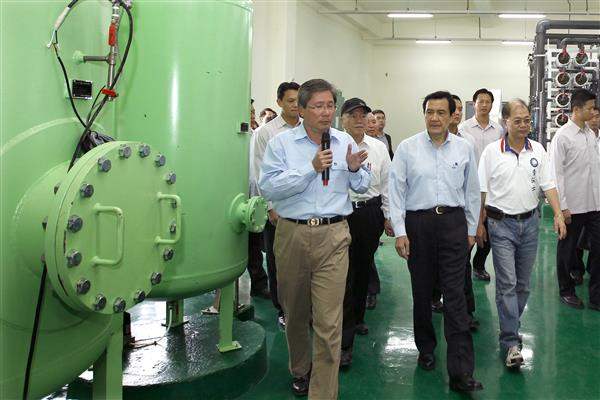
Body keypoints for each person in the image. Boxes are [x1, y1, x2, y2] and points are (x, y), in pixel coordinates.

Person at [259, 78, 370, 399]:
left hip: (334, 235)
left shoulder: (344, 141)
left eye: (330, 105)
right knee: (295, 313)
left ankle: (323, 392)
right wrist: (310, 168)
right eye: (318, 106)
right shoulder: (281, 144)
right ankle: (300, 369)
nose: (326, 112)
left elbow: (363, 186)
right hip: (292, 234)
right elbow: (269, 187)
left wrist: (354, 170)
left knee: (329, 321)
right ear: (302, 109)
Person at [389, 90, 482, 392]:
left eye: (441, 112)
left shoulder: (464, 148)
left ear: (453, 115)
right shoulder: (408, 148)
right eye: (430, 112)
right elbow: (396, 191)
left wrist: (470, 229)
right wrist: (400, 231)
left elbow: (471, 191)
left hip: (453, 224)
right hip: (419, 226)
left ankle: (461, 372)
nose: (434, 118)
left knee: (455, 296)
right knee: (422, 290)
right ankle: (426, 347)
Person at [478, 99, 566, 368]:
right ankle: (510, 342)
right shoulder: (492, 152)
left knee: (523, 285)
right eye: (517, 121)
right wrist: (478, 224)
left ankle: (510, 327)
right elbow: (481, 191)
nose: (524, 125)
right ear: (505, 122)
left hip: (530, 224)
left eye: (527, 120)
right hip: (500, 224)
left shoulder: (537, 149)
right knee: (507, 284)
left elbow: (548, 184)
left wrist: (558, 214)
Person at [338, 98, 392, 368]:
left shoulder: (378, 148)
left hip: (370, 214)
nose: (360, 120)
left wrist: (388, 216)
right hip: (342, 215)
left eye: (363, 115)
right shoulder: (334, 144)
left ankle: (357, 319)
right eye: (353, 115)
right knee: (344, 276)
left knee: (362, 271)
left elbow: (387, 184)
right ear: (343, 119)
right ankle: (344, 341)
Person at [251, 81, 301, 328]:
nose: (295, 105)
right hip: (278, 210)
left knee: (302, 263)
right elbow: (259, 172)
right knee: (278, 262)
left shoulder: (308, 129)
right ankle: (282, 309)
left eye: (299, 101)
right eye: (290, 101)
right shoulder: (266, 133)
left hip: (303, 209)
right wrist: (270, 207)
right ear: (279, 102)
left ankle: (302, 308)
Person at [431, 95, 478, 332]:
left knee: (462, 270)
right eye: (455, 109)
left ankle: (465, 313)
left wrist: (473, 225)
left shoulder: (466, 143)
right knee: (433, 267)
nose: (458, 113)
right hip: (429, 219)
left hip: (456, 219)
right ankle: (434, 298)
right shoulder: (421, 145)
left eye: (460, 109)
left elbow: (472, 188)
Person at [550, 89, 600, 311]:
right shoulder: (563, 136)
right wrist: (562, 207)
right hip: (573, 205)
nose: (593, 111)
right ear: (576, 109)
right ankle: (566, 290)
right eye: (590, 108)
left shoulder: (591, 135)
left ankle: (596, 295)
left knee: (598, 249)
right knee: (567, 249)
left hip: (595, 204)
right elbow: (556, 174)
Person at [460, 88, 505, 282]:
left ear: (492, 105)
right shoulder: (463, 129)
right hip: (469, 185)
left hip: (492, 187)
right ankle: (463, 266)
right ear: (474, 104)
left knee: (489, 231)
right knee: (468, 229)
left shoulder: (499, 130)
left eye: (488, 102)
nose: (484, 105)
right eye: (481, 101)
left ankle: (479, 265)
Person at [571, 105, 600, 283]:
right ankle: (576, 270)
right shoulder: (576, 137)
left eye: (598, 116)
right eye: (592, 115)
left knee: (596, 239)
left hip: (597, 198)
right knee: (578, 238)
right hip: (580, 197)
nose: (594, 119)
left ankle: (592, 268)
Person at [247, 98, 269, 298]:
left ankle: (258, 283)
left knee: (254, 243)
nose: (252, 114)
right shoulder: (235, 136)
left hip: (253, 198)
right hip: (238, 194)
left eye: (254, 111)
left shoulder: (256, 134)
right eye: (249, 111)